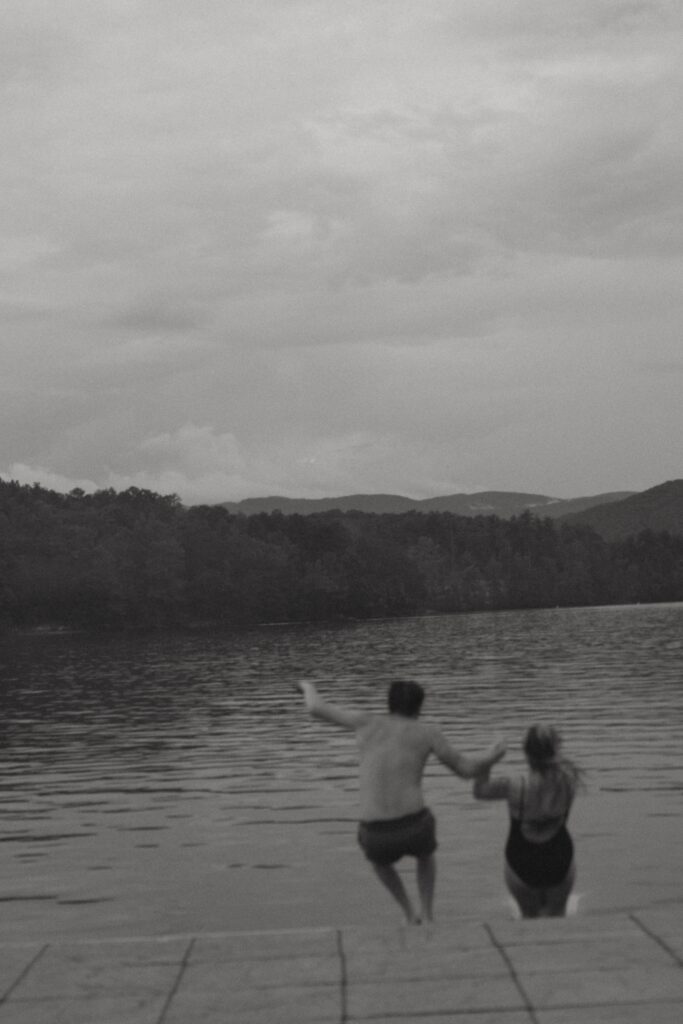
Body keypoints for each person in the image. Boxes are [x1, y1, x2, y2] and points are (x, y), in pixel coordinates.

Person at [297, 678, 506, 925]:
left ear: (389, 704)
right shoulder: (428, 732)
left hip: (375, 833)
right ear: (419, 708)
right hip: (414, 827)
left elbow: (315, 708)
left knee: (378, 861)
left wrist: (306, 686)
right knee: (426, 856)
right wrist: (493, 756)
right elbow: (466, 770)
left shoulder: (366, 722)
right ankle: (427, 914)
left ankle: (409, 913)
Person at [473, 724, 583, 918]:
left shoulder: (514, 784)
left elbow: (480, 791)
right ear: (556, 750)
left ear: (526, 753)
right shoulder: (569, 781)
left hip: (521, 861)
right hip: (559, 859)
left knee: (528, 918)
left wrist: (490, 758)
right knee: (558, 917)